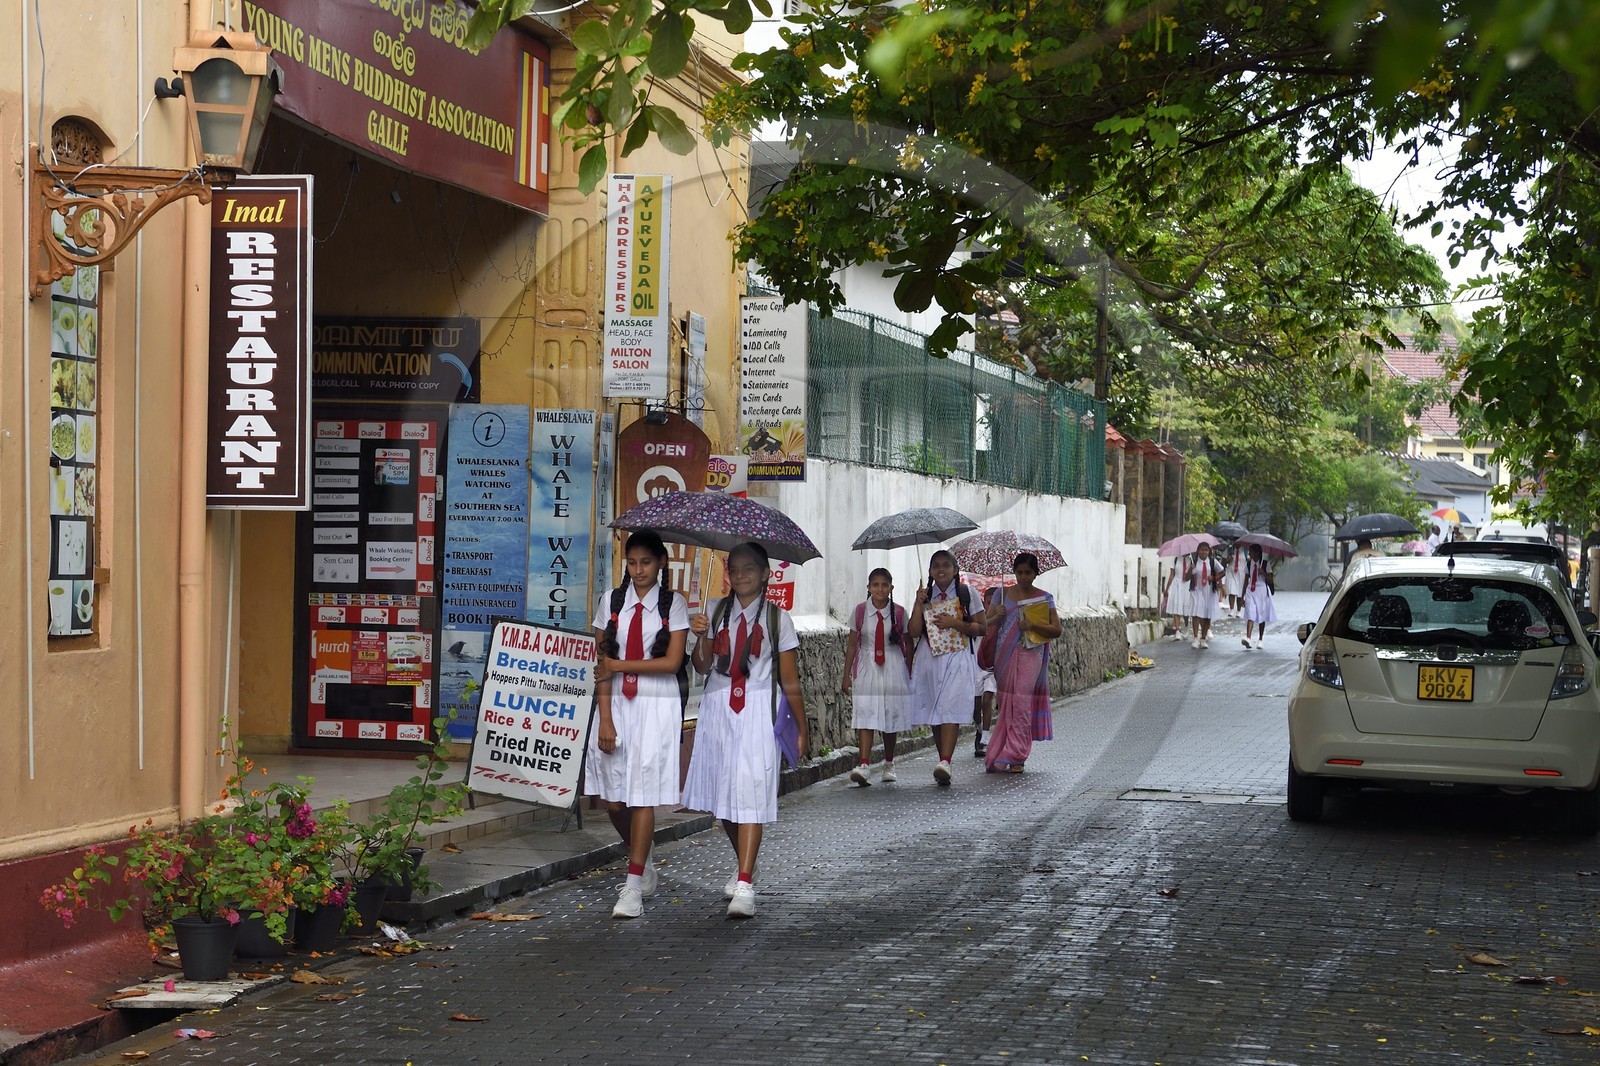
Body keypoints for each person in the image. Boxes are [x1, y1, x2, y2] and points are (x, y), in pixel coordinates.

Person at [683, 541, 809, 919]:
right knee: (726, 797)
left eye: (748, 569)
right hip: (719, 709)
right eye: (734, 570)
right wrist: (701, 635)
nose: (739, 576)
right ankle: (745, 866)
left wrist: (801, 727)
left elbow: (789, 679)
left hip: (757, 711)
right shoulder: (714, 611)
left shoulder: (777, 619)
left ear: (766, 573)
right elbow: (702, 667)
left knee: (751, 791)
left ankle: (745, 882)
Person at [589, 530, 690, 921]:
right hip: (616, 704)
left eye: (646, 562)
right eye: (632, 563)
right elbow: (602, 666)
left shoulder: (673, 605)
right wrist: (606, 718)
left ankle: (632, 885)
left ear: (661, 562)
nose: (638, 570)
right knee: (613, 798)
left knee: (642, 792)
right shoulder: (612, 602)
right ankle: (642, 860)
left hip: (654, 705)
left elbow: (672, 662)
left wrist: (620, 665)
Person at [907, 549, 984, 786]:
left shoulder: (966, 594)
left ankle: (946, 761)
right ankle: (943, 760)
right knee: (935, 710)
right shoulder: (926, 595)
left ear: (955, 570)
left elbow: (982, 628)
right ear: (930, 571)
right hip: (930, 659)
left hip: (957, 656)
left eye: (946, 565)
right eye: (936, 566)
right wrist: (919, 604)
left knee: (949, 706)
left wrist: (955, 623)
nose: (941, 570)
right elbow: (912, 631)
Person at [980, 553, 1062, 773]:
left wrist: (1033, 624)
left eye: (1028, 573)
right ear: (1014, 572)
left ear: (1036, 573)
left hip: (1030, 654)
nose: (1023, 577)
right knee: (1007, 702)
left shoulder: (1044, 598)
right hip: (1003, 656)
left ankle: (1017, 755)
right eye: (1019, 573)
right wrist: (997, 615)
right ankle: (1001, 750)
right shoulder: (1001, 593)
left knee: (1022, 701)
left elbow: (1056, 630)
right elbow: (985, 623)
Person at [842, 568, 911, 785]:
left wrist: (909, 670)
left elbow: (907, 643)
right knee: (866, 711)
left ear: (891, 588)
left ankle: (889, 763)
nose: (879, 589)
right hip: (866, 665)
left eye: (884, 585)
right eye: (875, 585)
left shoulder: (899, 613)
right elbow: (853, 643)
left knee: (889, 713)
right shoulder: (860, 612)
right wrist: (846, 675)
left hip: (893, 665)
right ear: (868, 588)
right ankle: (864, 764)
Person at [1239, 543, 1277, 650]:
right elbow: (1246, 581)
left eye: (1251, 552)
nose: (1249, 554)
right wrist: (1242, 597)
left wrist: (1263, 573)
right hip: (1251, 590)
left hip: (1262, 591)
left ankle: (1260, 639)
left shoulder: (1265, 564)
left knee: (1262, 614)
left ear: (1257, 553)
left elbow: (1270, 580)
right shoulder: (1248, 564)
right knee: (1250, 612)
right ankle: (1248, 637)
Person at [1186, 543, 1223, 648]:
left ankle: (1203, 638)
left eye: (1206, 550)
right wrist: (1190, 569)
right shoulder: (1193, 561)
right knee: (1196, 613)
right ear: (1198, 551)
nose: (1204, 552)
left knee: (1207, 615)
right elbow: (1186, 578)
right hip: (1197, 590)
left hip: (1208, 590)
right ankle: (1195, 638)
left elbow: (1222, 572)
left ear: (1209, 551)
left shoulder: (1212, 561)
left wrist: (1214, 578)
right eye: (1202, 550)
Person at [1162, 557, 1191, 642]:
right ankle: (1177, 631)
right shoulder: (1175, 560)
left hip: (1186, 585)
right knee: (1176, 607)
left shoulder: (1191, 560)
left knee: (1186, 607)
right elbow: (1172, 575)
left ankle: (1186, 627)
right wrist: (1167, 589)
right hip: (1177, 585)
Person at [1223, 542, 1246, 617]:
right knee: (1232, 591)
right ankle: (1231, 609)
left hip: (1241, 573)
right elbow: (1223, 562)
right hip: (1231, 572)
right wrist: (1228, 560)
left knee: (1240, 592)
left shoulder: (1246, 550)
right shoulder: (1229, 549)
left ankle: (1239, 611)